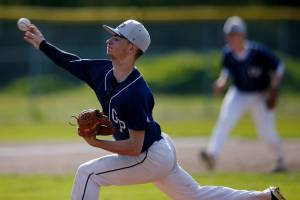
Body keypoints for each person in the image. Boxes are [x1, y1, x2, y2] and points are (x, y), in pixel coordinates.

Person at [23, 19, 285, 200]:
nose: (110, 40)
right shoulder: (101, 71)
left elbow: (134, 148)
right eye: (112, 35)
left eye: (117, 37)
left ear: (131, 48)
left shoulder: (137, 92)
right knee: (194, 196)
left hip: (149, 156)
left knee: (87, 173)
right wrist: (42, 44)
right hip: (160, 147)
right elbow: (71, 62)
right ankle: (263, 197)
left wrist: (96, 142)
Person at [200, 16, 286, 173]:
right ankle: (212, 155)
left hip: (260, 95)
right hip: (239, 92)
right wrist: (221, 82)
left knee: (266, 133)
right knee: (225, 120)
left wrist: (274, 88)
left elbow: (279, 66)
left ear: (242, 35)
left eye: (234, 34)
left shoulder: (258, 52)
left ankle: (280, 159)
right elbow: (225, 74)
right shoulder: (228, 54)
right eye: (229, 35)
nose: (231, 38)